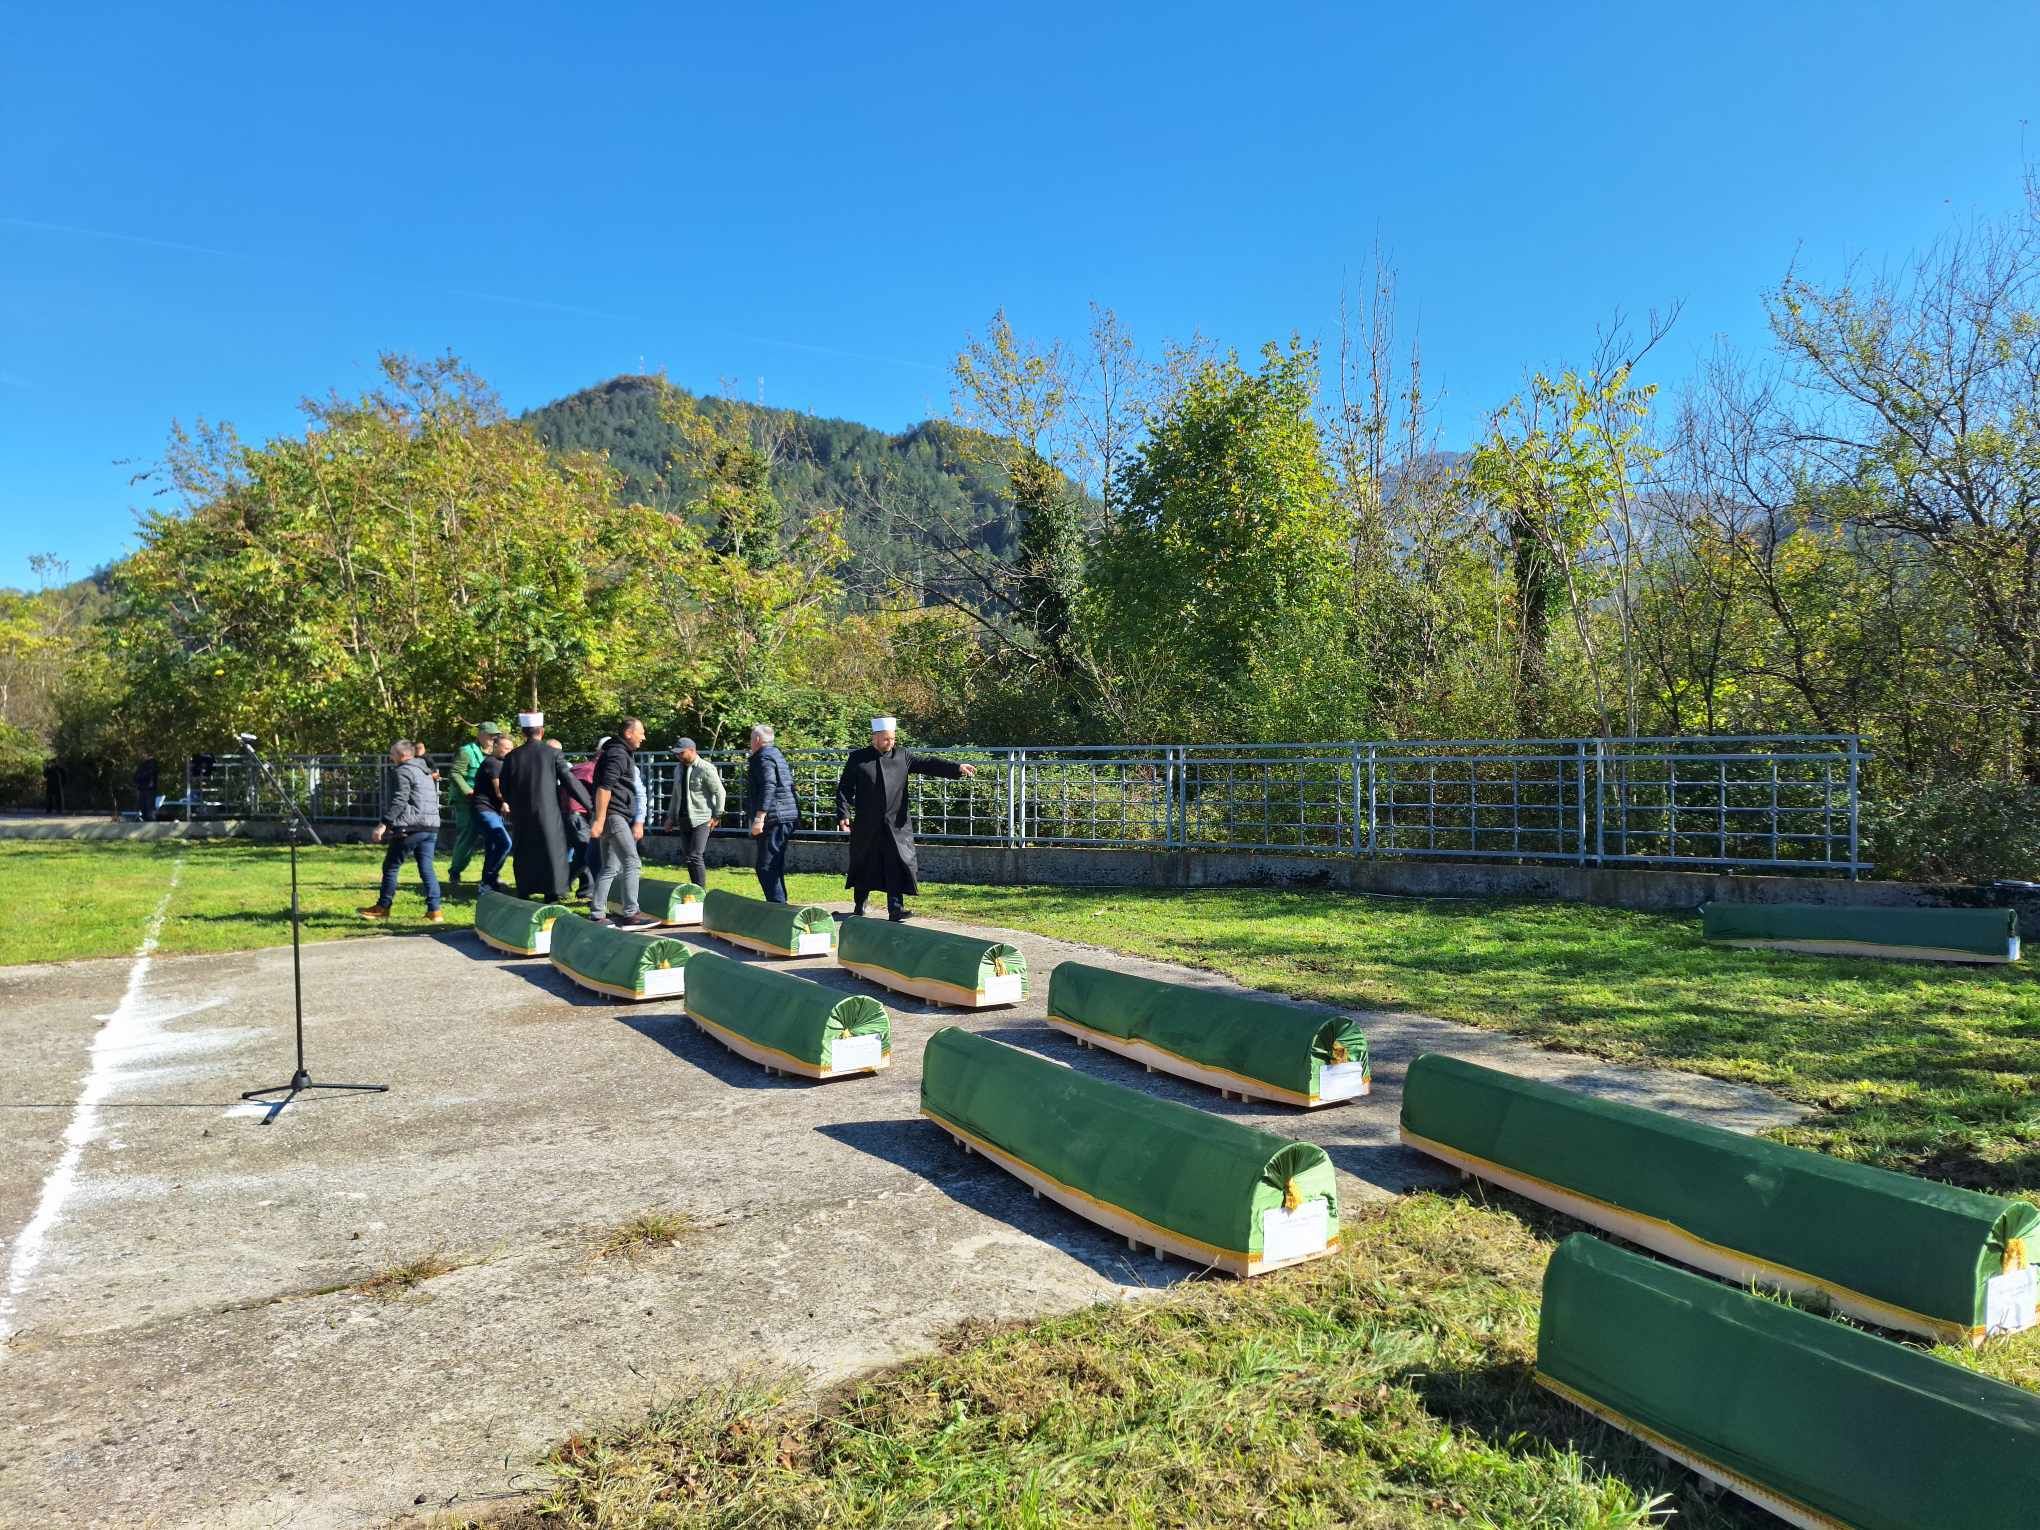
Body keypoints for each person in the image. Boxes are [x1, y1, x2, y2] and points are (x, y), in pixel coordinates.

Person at [835, 716, 975, 921]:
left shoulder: (902, 756)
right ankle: (860, 904)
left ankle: (895, 909)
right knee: (864, 862)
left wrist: (956, 767)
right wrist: (843, 813)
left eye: (892, 739)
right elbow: (845, 788)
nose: (890, 743)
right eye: (886, 739)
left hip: (896, 824)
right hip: (867, 824)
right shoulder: (858, 758)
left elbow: (929, 764)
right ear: (874, 738)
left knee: (896, 863)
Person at [497, 712, 591, 900]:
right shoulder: (553, 754)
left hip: (522, 815)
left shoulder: (512, 757)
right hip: (549, 814)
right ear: (542, 731)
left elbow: (504, 787)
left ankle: (524, 890)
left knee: (525, 853)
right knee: (552, 853)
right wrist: (590, 805)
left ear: (524, 732)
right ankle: (553, 893)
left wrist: (515, 805)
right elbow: (570, 782)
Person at [359, 740, 444, 922]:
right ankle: (435, 911)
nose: (390, 757)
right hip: (431, 826)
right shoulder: (424, 771)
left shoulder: (403, 771)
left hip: (411, 826)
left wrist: (384, 824)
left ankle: (383, 907)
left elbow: (400, 799)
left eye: (393, 754)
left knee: (391, 866)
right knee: (426, 868)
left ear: (403, 755)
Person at [588, 719, 656, 928]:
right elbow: (604, 787)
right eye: (641, 733)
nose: (643, 737)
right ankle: (630, 913)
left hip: (612, 815)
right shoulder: (617, 754)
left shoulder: (617, 752)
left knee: (610, 866)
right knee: (632, 862)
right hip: (613, 815)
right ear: (628, 733)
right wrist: (599, 820)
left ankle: (597, 914)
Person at [746, 724, 799, 903]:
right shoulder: (776, 754)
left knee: (766, 866)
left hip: (775, 817)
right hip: (786, 815)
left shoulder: (763, 757)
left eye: (751, 740)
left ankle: (778, 908)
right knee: (774, 865)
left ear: (758, 740)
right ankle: (780, 906)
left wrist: (759, 818)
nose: (750, 744)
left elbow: (769, 785)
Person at [445, 720, 501, 890]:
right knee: (468, 836)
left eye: (495, 736)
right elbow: (455, 773)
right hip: (467, 801)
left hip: (489, 802)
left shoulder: (496, 752)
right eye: (491, 736)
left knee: (494, 838)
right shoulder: (466, 751)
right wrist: (468, 791)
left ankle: (492, 876)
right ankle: (455, 871)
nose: (493, 739)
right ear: (481, 735)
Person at [663, 736, 725, 888]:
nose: (678, 756)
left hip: (702, 819)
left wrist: (717, 815)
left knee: (695, 855)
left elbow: (720, 792)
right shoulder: (678, 768)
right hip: (683, 819)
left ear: (692, 750)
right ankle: (695, 889)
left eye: (681, 753)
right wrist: (671, 817)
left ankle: (700, 892)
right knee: (688, 858)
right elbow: (675, 795)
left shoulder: (705, 768)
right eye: (677, 753)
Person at [473, 729, 515, 891]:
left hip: (494, 811)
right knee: (504, 843)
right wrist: (505, 802)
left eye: (511, 748)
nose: (508, 751)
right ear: (495, 747)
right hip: (484, 809)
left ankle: (489, 881)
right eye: (505, 748)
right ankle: (488, 880)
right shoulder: (492, 762)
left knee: (492, 846)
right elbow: (498, 789)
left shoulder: (504, 763)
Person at [562, 741, 596, 898]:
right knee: (586, 851)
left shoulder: (578, 767)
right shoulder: (594, 770)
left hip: (566, 813)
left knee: (582, 851)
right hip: (578, 814)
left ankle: (586, 888)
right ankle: (561, 883)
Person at [133, 756, 159, 822]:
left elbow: (152, 775)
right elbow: (136, 778)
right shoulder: (143, 767)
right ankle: (147, 818)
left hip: (148, 789)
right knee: (145, 807)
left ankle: (149, 818)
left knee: (147, 807)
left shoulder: (151, 766)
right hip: (144, 789)